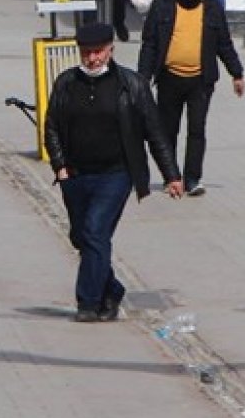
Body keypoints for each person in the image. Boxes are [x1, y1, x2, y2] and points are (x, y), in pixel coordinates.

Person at [44, 22, 183, 323]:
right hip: (76, 174)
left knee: (95, 230)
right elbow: (52, 125)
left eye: (98, 52)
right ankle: (113, 289)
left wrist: (171, 174)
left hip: (116, 174)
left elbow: (154, 132)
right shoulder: (67, 83)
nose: (92, 59)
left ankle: (88, 302)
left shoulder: (131, 85)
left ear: (111, 50)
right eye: (86, 53)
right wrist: (60, 167)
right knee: (82, 236)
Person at [137, 0, 245, 196]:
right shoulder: (164, 6)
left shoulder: (212, 8)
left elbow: (224, 44)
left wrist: (236, 73)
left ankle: (193, 178)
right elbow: (150, 44)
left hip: (201, 80)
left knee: (197, 130)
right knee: (168, 130)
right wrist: (142, 79)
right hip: (169, 78)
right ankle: (172, 176)